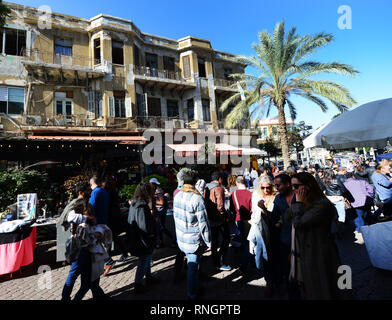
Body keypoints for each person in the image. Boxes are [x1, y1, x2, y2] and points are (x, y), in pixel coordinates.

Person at [285, 172, 342, 300]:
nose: (293, 190)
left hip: (320, 253)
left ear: (308, 186)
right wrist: (297, 200)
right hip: (305, 252)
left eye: (296, 186)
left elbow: (298, 223)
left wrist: (298, 204)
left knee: (325, 288)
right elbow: (287, 216)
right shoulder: (302, 202)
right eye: (292, 187)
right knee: (312, 289)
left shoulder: (322, 204)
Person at [173, 169, 211, 300]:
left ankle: (194, 288)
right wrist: (209, 241)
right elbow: (204, 223)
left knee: (193, 265)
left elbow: (176, 218)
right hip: (193, 240)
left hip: (182, 239)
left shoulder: (177, 196)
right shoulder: (197, 198)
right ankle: (192, 294)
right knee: (192, 266)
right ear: (195, 182)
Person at [67, 198, 112, 300]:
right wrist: (95, 234)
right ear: (82, 210)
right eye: (88, 208)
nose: (90, 209)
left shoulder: (81, 220)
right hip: (86, 256)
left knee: (93, 282)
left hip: (89, 256)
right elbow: (86, 241)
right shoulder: (81, 222)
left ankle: (99, 296)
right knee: (86, 284)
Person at [271, 173, 301, 299]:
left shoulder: (299, 195)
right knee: (289, 270)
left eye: (278, 185)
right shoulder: (278, 199)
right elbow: (274, 216)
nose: (276, 188)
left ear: (287, 184)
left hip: (303, 237)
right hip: (286, 239)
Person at [127, 182, 160, 294]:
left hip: (139, 237)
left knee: (146, 258)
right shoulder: (140, 205)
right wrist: (152, 230)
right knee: (143, 260)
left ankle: (148, 277)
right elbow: (143, 226)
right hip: (142, 239)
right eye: (151, 190)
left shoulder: (135, 203)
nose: (153, 192)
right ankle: (138, 284)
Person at [61, 183, 90, 301]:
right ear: (81, 192)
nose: (89, 191)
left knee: (75, 273)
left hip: (79, 245)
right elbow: (68, 218)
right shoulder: (78, 205)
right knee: (79, 275)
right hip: (81, 246)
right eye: (87, 190)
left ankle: (65, 297)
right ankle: (67, 298)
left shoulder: (78, 205)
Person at [250, 174, 277, 297]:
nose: (265, 190)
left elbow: (276, 217)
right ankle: (269, 283)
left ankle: (276, 281)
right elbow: (254, 212)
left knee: (275, 257)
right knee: (266, 258)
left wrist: (264, 209)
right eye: (263, 188)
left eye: (268, 187)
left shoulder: (276, 197)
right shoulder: (256, 195)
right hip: (262, 231)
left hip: (275, 230)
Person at [205, 172, 232, 271]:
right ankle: (220, 259)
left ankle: (215, 260)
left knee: (214, 241)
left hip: (210, 218)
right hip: (219, 219)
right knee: (226, 238)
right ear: (220, 179)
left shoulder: (206, 187)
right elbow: (220, 206)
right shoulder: (218, 188)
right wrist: (224, 217)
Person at [102, 177, 130, 269]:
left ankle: (108, 259)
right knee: (114, 237)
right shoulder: (113, 191)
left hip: (111, 219)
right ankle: (122, 254)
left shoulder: (108, 193)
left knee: (110, 238)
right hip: (114, 218)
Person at [89, 175, 113, 275]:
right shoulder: (105, 192)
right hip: (104, 220)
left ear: (91, 184)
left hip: (97, 222)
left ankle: (107, 261)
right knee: (102, 244)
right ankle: (106, 261)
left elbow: (91, 206)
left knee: (96, 244)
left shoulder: (95, 192)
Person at [230, 176, 252, 274]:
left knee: (243, 239)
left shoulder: (234, 194)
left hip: (238, 219)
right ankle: (247, 261)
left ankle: (242, 260)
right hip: (249, 220)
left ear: (237, 183)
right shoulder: (251, 194)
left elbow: (231, 208)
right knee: (249, 241)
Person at [322, 169, 351, 238]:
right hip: (338, 199)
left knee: (335, 216)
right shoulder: (336, 180)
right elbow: (344, 190)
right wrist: (346, 197)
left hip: (329, 200)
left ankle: (338, 230)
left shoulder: (324, 181)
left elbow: (323, 190)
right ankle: (339, 231)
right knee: (341, 217)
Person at [150, 178, 175, 248]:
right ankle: (161, 242)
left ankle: (173, 239)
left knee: (161, 227)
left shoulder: (158, 191)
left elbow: (161, 202)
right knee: (159, 227)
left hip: (160, 211)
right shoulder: (156, 190)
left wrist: (153, 201)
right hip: (160, 211)